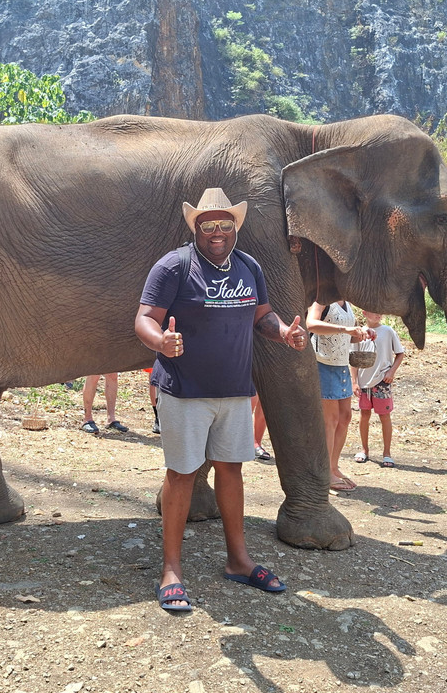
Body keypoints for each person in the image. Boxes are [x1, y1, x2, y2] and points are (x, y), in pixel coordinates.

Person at [135, 187, 307, 612]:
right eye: (208, 224)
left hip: (234, 391)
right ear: (196, 227)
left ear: (235, 228)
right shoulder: (174, 266)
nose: (217, 232)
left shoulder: (249, 267)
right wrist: (161, 342)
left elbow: (262, 316)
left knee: (231, 470)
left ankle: (238, 560)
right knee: (182, 475)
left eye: (224, 225)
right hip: (185, 391)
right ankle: (171, 570)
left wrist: (284, 333)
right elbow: (144, 318)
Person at [306, 300, 374, 490]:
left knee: (345, 417)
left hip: (341, 364)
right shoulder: (321, 299)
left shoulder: (347, 304)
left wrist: (361, 334)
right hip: (323, 364)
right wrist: (345, 329)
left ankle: (333, 467)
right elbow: (311, 324)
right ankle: (325, 473)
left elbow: (346, 337)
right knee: (330, 420)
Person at [350, 311, 405, 468]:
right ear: (364, 312)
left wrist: (391, 372)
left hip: (382, 381)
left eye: (380, 311)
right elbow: (353, 359)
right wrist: (354, 382)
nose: (378, 314)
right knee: (364, 414)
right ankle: (364, 450)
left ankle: (387, 453)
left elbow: (400, 354)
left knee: (384, 416)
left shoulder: (388, 331)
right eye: (374, 311)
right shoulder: (358, 333)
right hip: (363, 383)